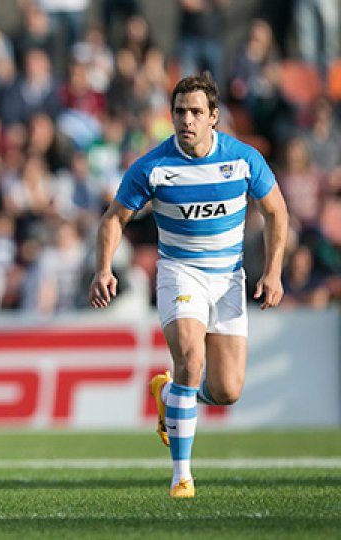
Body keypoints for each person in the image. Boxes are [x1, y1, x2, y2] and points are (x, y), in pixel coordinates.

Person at [88, 73, 289, 498]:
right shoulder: (154, 166)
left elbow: (276, 212)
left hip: (228, 280)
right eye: (180, 111)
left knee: (226, 390)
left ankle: (172, 395)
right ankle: (182, 476)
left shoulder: (243, 160)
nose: (187, 120)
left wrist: (272, 271)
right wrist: (104, 268)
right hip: (181, 274)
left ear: (214, 117)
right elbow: (114, 219)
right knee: (191, 360)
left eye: (197, 112)